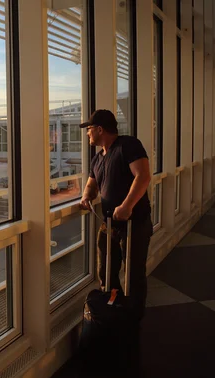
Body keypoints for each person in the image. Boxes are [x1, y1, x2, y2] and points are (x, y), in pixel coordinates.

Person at [78, 109, 153, 321]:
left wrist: (127, 205)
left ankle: (134, 317)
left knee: (134, 272)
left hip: (134, 222)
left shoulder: (128, 145)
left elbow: (143, 176)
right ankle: (114, 308)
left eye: (89, 129)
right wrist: (86, 197)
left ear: (100, 129)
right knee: (106, 271)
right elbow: (91, 185)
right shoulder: (97, 159)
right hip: (109, 223)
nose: (87, 134)